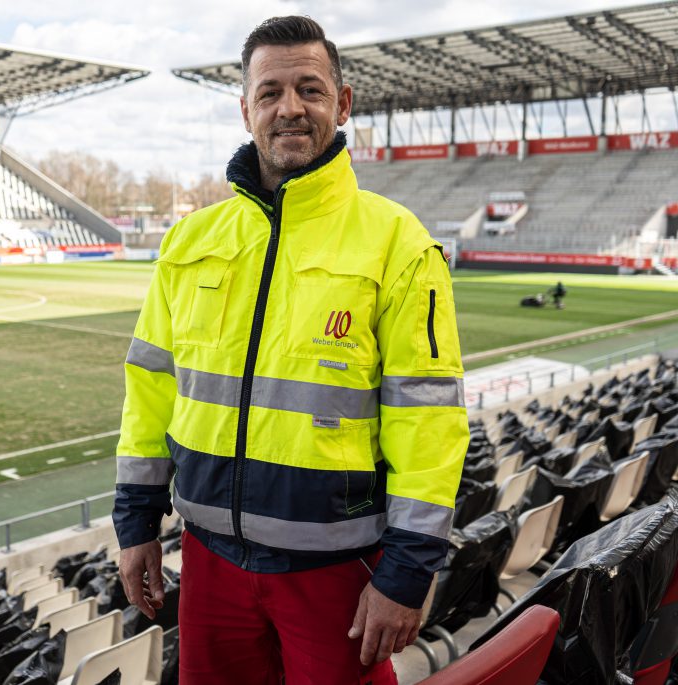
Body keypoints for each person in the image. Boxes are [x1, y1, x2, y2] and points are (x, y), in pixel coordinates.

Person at [112, 16, 469, 684]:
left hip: (336, 574)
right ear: (246, 109)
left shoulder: (397, 244)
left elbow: (430, 423)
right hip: (209, 562)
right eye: (271, 92)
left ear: (344, 102)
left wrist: (406, 571)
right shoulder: (190, 242)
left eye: (310, 88)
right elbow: (150, 392)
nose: (290, 107)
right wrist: (135, 524)